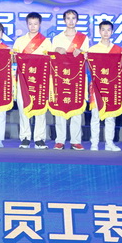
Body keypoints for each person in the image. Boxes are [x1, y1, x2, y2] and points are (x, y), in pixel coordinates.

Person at [50, 9, 89, 151]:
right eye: (68, 18)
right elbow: (51, 58)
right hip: (60, 78)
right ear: (64, 20)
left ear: (77, 20)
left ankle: (75, 141)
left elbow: (88, 57)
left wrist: (82, 53)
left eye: (73, 18)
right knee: (60, 107)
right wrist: (56, 50)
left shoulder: (83, 38)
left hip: (77, 78)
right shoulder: (57, 38)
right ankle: (60, 140)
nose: (71, 21)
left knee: (76, 108)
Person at [13, 12, 52, 149]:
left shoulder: (46, 42)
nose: (33, 26)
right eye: (30, 24)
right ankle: (25, 137)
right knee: (23, 106)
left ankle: (39, 138)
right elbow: (14, 59)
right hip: (23, 79)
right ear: (27, 24)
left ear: (40, 24)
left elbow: (51, 60)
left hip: (40, 80)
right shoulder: (20, 41)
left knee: (40, 107)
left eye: (35, 24)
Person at [87, 20, 122, 151]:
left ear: (112, 32)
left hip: (112, 87)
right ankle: (94, 143)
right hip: (97, 87)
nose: (106, 32)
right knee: (95, 116)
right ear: (99, 31)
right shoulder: (92, 50)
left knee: (110, 116)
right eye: (103, 30)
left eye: (108, 30)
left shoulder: (118, 50)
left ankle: (109, 143)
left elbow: (121, 69)